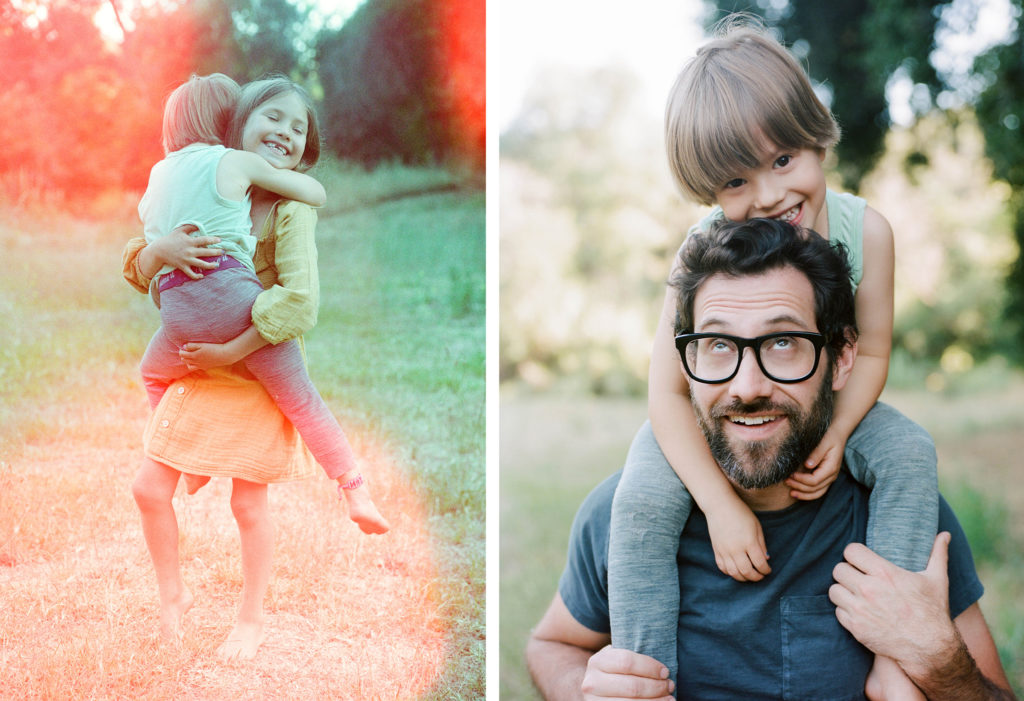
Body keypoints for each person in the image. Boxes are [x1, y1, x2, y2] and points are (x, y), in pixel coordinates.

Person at [526, 218, 1014, 700]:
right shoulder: (622, 513)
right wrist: (581, 690)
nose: (748, 387)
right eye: (717, 345)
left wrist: (940, 660)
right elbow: (551, 645)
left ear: (842, 357)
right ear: (685, 365)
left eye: (782, 343)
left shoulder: (899, 513)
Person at [607, 19, 938, 687]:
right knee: (640, 496)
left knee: (909, 452)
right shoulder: (702, 251)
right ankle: (647, 675)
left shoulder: (866, 231)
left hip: (826, 400)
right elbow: (668, 393)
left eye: (783, 160)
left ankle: (896, 660)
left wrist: (842, 430)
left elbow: (871, 353)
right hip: (716, 404)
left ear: (815, 138)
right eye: (734, 182)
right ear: (709, 193)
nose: (766, 197)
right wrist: (720, 503)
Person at [125, 76, 388, 660]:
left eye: (299, 128)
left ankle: (348, 496)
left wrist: (229, 351)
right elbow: (138, 262)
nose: (286, 134)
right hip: (199, 359)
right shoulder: (213, 180)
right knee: (149, 480)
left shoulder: (285, 206)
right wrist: (158, 251)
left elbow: (300, 304)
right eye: (273, 119)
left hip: (248, 351)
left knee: (253, 493)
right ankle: (177, 574)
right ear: (234, 124)